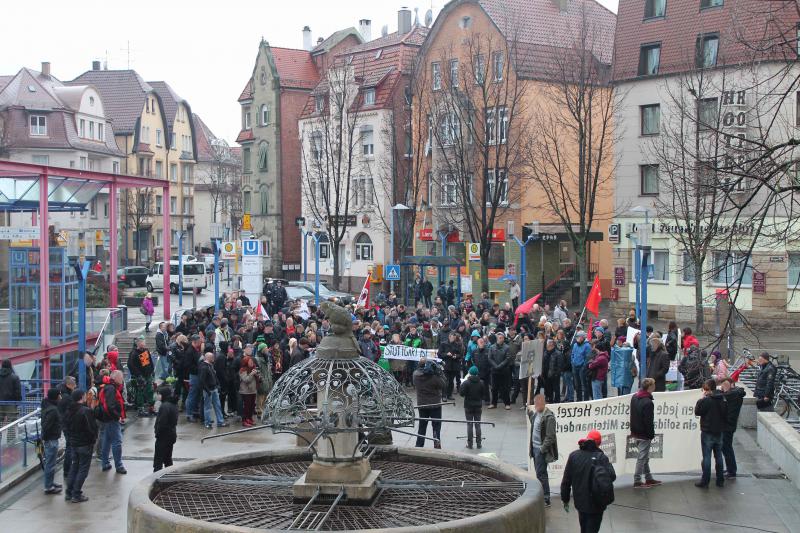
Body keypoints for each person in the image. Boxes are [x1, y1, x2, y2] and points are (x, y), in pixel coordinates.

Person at [560, 429, 616, 533]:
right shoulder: (601, 457)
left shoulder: (574, 456)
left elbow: (566, 481)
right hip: (597, 504)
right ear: (598, 444)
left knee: (584, 527)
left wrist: (565, 499)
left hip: (580, 503)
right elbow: (612, 476)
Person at [64, 389, 98, 503]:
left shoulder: (69, 410)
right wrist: (93, 439)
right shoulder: (85, 411)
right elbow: (91, 428)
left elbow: (66, 427)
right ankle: (76, 493)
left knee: (75, 466)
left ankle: (69, 491)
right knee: (83, 469)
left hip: (74, 443)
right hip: (84, 444)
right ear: (81, 397)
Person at [694, 378, 727, 488]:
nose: (704, 391)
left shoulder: (706, 400)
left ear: (709, 389)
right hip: (719, 431)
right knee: (718, 456)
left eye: (705, 389)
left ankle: (705, 480)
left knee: (707, 457)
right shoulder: (722, 399)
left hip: (708, 431)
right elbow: (725, 414)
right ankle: (720, 480)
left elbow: (697, 411)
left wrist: (701, 400)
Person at [629, 378, 662, 488]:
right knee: (642, 457)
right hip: (643, 434)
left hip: (636, 431)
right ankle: (637, 480)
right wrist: (650, 434)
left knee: (644, 457)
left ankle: (648, 478)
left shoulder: (635, 397)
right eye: (654, 385)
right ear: (650, 387)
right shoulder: (648, 402)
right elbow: (648, 421)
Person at [528, 394, 558, 507]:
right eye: (535, 404)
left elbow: (550, 436)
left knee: (541, 474)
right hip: (535, 448)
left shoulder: (549, 417)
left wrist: (542, 449)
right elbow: (534, 424)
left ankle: (546, 498)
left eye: (538, 404)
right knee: (540, 473)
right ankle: (543, 496)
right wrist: (529, 413)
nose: (536, 406)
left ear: (543, 403)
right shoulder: (537, 413)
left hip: (540, 450)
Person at [413, 356, 446, 448]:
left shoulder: (415, 375)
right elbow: (443, 384)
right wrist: (440, 372)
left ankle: (419, 445)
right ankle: (436, 444)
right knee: (436, 426)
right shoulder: (434, 378)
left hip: (422, 405)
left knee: (422, 426)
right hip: (435, 405)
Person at [99, 370, 127, 474]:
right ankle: (119, 465)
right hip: (111, 419)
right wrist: (117, 416)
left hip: (107, 418)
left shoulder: (108, 387)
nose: (122, 379)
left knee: (107, 441)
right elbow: (110, 406)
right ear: (115, 378)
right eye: (121, 377)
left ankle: (105, 463)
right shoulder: (111, 389)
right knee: (117, 442)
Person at [720, 377, 745, 478]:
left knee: (727, 448)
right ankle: (731, 469)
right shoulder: (736, 393)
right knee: (727, 448)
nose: (723, 388)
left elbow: (725, 395)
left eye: (724, 386)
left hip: (727, 426)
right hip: (730, 425)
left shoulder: (732, 395)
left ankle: (731, 471)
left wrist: (723, 390)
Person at [199, 352, 229, 429]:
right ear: (208, 358)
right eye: (212, 357)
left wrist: (217, 385)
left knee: (217, 406)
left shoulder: (210, 366)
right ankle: (208, 423)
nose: (213, 358)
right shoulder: (204, 367)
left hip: (214, 389)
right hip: (209, 390)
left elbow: (214, 377)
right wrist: (207, 390)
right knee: (208, 407)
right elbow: (202, 381)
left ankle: (220, 421)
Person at [41, 388, 63, 494]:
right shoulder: (53, 410)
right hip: (51, 439)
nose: (61, 397)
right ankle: (48, 486)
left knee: (50, 463)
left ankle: (50, 482)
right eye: (59, 395)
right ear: (56, 396)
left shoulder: (47, 406)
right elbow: (46, 426)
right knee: (50, 463)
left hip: (50, 439)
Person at [128, 336, 155, 417]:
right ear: (138, 343)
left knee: (150, 390)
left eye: (144, 342)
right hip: (140, 376)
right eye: (142, 342)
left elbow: (149, 362)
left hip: (148, 374)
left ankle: (151, 407)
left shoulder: (146, 351)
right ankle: (141, 409)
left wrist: (152, 370)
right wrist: (138, 376)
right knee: (140, 392)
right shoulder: (134, 353)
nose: (144, 343)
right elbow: (131, 365)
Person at [459, 366, 485, 449]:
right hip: (478, 406)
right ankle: (479, 443)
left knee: (469, 425)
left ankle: (470, 444)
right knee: (478, 425)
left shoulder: (466, 383)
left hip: (468, 405)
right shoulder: (481, 382)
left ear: (469, 373)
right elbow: (484, 394)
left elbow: (461, 393)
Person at [153, 386, 178, 472]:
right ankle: (171, 477)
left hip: (163, 437)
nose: (158, 396)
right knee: (168, 459)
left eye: (159, 394)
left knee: (158, 461)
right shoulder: (173, 404)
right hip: (171, 435)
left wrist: (157, 432)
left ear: (164, 395)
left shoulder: (164, 406)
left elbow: (162, 423)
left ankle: (156, 478)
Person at [488, 332, 512, 409]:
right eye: (500, 338)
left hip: (504, 371)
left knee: (505, 388)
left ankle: (507, 404)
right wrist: (495, 366)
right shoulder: (492, 347)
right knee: (494, 388)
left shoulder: (507, 347)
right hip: (494, 371)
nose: (501, 339)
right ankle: (493, 403)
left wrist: (500, 366)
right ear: (497, 339)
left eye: (502, 338)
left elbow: (507, 358)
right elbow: (489, 358)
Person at [0, 359, 21, 442]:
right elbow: (17, 391)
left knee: (1, 423)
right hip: (11, 403)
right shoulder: (14, 377)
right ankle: (14, 442)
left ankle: (1, 442)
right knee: (13, 423)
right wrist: (17, 401)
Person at [438, 331, 464, 401]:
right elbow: (439, 354)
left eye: (454, 338)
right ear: (449, 337)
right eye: (452, 337)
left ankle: (449, 395)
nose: (453, 339)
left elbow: (460, 354)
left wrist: (456, 356)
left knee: (451, 381)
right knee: (445, 381)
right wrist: (446, 354)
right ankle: (444, 395)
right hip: (446, 365)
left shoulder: (457, 345)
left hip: (454, 365)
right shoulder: (443, 344)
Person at [239, 356, 259, 427]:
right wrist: (252, 374)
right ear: (246, 362)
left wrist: (258, 376)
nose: (251, 363)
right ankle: (245, 420)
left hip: (253, 390)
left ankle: (250, 418)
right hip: (246, 391)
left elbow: (257, 379)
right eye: (250, 362)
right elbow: (246, 380)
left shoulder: (253, 369)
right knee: (246, 407)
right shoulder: (242, 370)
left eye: (252, 362)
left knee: (252, 406)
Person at [571, 332, 591, 402]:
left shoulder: (587, 345)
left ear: (582, 337)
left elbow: (588, 358)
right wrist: (573, 362)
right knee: (577, 385)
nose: (577, 338)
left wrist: (583, 366)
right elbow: (572, 354)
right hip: (575, 366)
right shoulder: (575, 345)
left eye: (578, 337)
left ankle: (586, 400)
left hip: (582, 368)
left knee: (584, 384)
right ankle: (579, 399)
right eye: (577, 337)